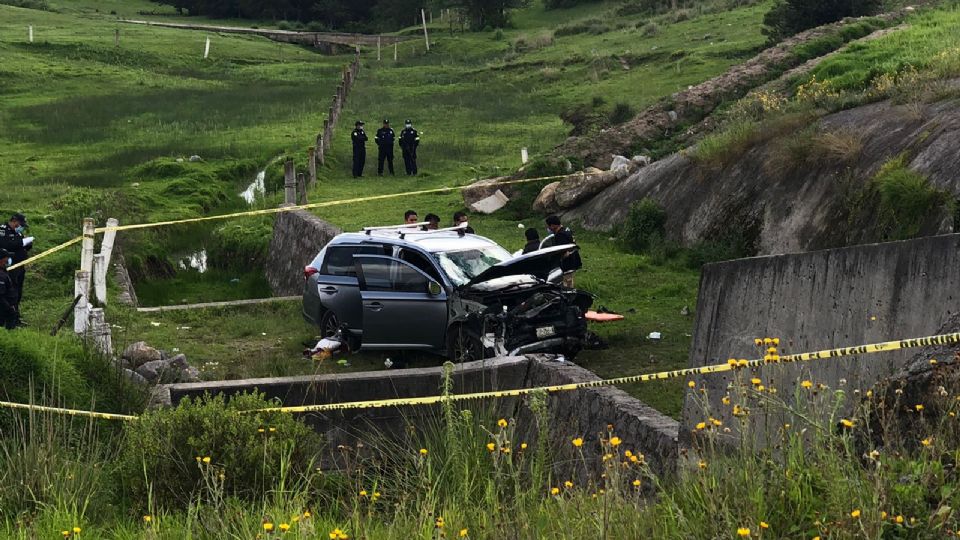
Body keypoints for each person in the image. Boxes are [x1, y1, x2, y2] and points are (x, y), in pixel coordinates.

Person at [0, 213, 31, 325]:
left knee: (18, 292)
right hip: (9, 266)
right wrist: (21, 242)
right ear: (14, 221)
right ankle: (8, 318)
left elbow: (22, 246)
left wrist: (28, 243)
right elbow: (6, 244)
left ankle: (15, 317)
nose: (20, 227)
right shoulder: (3, 230)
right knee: (10, 291)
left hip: (19, 265)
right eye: (19, 224)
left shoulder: (18, 232)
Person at [546, 215, 582, 288]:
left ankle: (568, 296)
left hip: (567, 262)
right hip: (573, 259)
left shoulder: (560, 235)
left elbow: (563, 251)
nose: (548, 228)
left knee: (566, 283)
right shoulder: (566, 230)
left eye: (548, 226)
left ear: (553, 225)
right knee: (569, 280)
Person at [0, 249, 18, 330]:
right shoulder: (1, 275)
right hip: (4, 311)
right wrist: (9, 308)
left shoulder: (3, 272)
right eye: (6, 257)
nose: (8, 260)